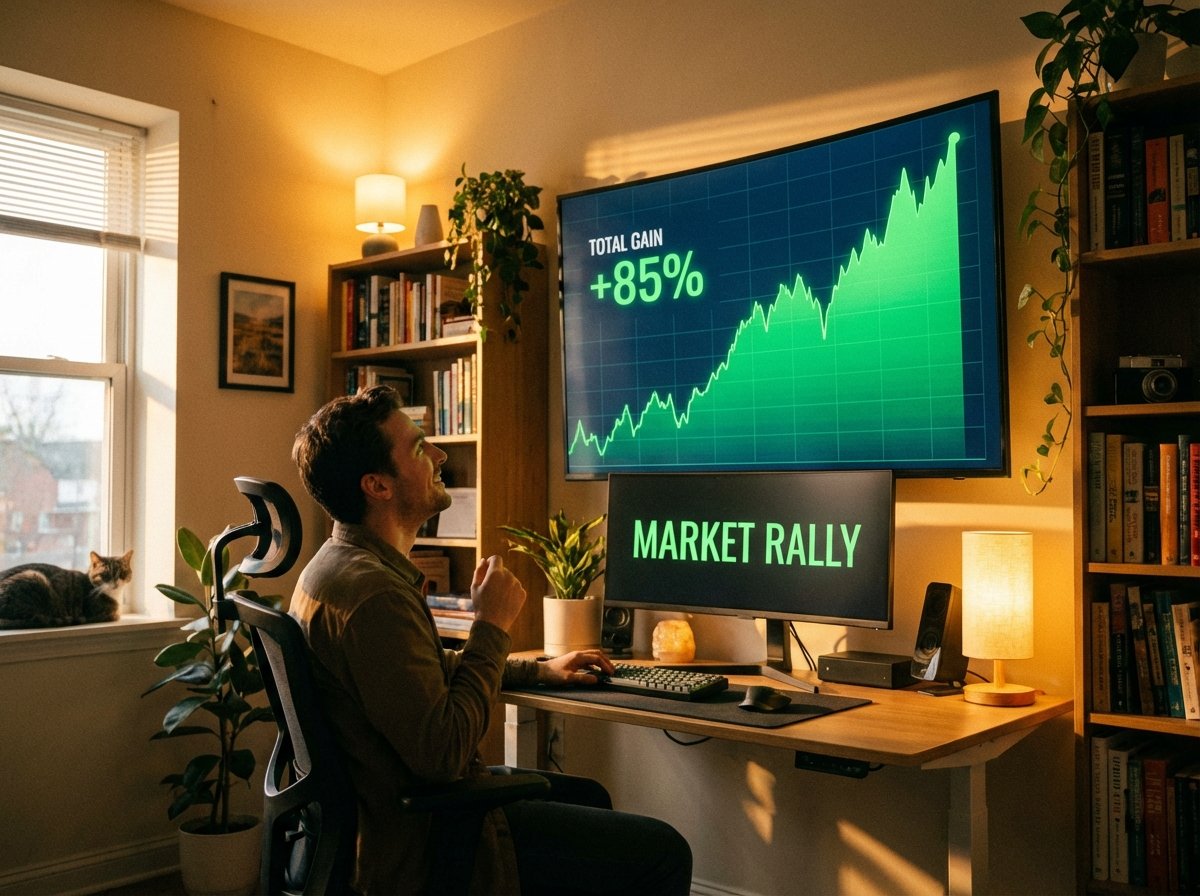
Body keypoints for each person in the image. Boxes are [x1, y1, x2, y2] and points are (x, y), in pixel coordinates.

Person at [290, 384, 693, 895]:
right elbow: (444, 753)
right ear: (378, 485)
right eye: (419, 448)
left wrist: (540, 670)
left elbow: (422, 671)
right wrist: (492, 625)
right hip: (424, 840)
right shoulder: (375, 597)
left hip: (391, 817)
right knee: (664, 851)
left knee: (589, 796)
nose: (440, 456)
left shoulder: (336, 568)